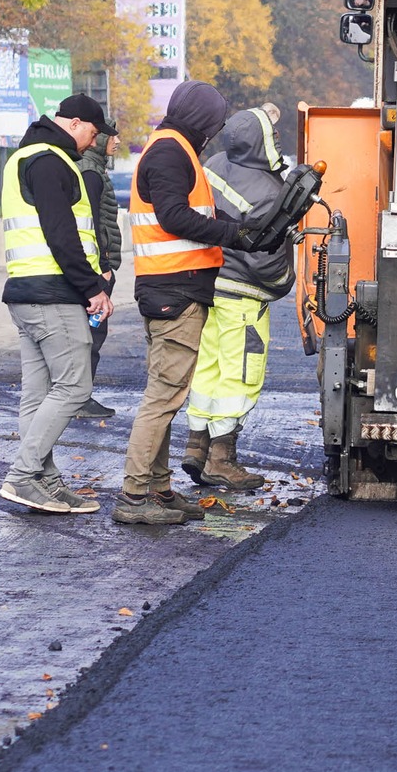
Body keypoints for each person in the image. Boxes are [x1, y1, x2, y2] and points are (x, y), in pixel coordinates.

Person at [115, 80, 274, 526]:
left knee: (167, 397)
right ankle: (133, 496)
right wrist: (232, 234)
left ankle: (159, 489)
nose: (213, 135)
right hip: (175, 292)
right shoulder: (171, 152)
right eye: (214, 126)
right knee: (163, 398)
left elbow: (193, 213)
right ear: (202, 121)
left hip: (170, 290)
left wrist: (234, 226)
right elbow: (174, 217)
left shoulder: (172, 148)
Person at [0, 94, 115, 515]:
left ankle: (44, 481)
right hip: (53, 294)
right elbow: (61, 233)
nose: (94, 142)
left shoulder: (26, 156)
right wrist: (92, 288)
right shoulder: (50, 161)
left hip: (27, 292)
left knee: (38, 395)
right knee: (75, 387)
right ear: (76, 123)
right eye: (94, 133)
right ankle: (23, 475)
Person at [182, 104, 294, 492]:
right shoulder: (268, 191)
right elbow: (267, 258)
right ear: (259, 142)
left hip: (208, 285)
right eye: (272, 135)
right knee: (240, 375)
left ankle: (196, 447)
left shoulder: (214, 164)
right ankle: (221, 459)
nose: (278, 139)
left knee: (208, 368)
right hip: (243, 297)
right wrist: (284, 282)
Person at [74, 125, 123, 419]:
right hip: (97, 268)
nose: (117, 141)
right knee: (92, 333)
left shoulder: (93, 168)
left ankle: (77, 396)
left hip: (96, 265)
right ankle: (80, 399)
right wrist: (102, 267)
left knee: (90, 333)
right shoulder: (91, 172)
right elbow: (90, 221)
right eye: (112, 136)